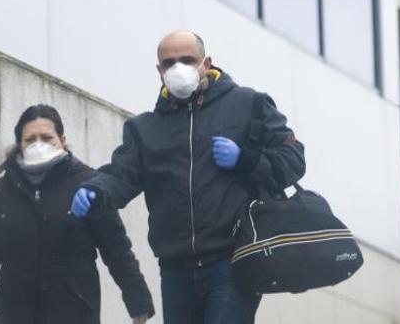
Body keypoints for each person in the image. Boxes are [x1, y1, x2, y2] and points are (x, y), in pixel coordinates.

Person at [70, 31, 306, 324]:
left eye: (187, 60)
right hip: (175, 270)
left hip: (231, 262)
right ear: (159, 71)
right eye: (169, 63)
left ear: (206, 63)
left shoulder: (249, 105)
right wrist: (96, 190)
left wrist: (246, 159)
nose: (178, 68)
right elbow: (121, 175)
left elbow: (293, 160)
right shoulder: (145, 129)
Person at [0, 104, 154, 324]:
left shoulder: (88, 186)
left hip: (74, 310)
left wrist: (138, 302)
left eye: (46, 138)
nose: (38, 145)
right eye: (30, 139)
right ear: (19, 145)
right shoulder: (2, 192)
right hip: (16, 311)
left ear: (62, 141)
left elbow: (117, 249)